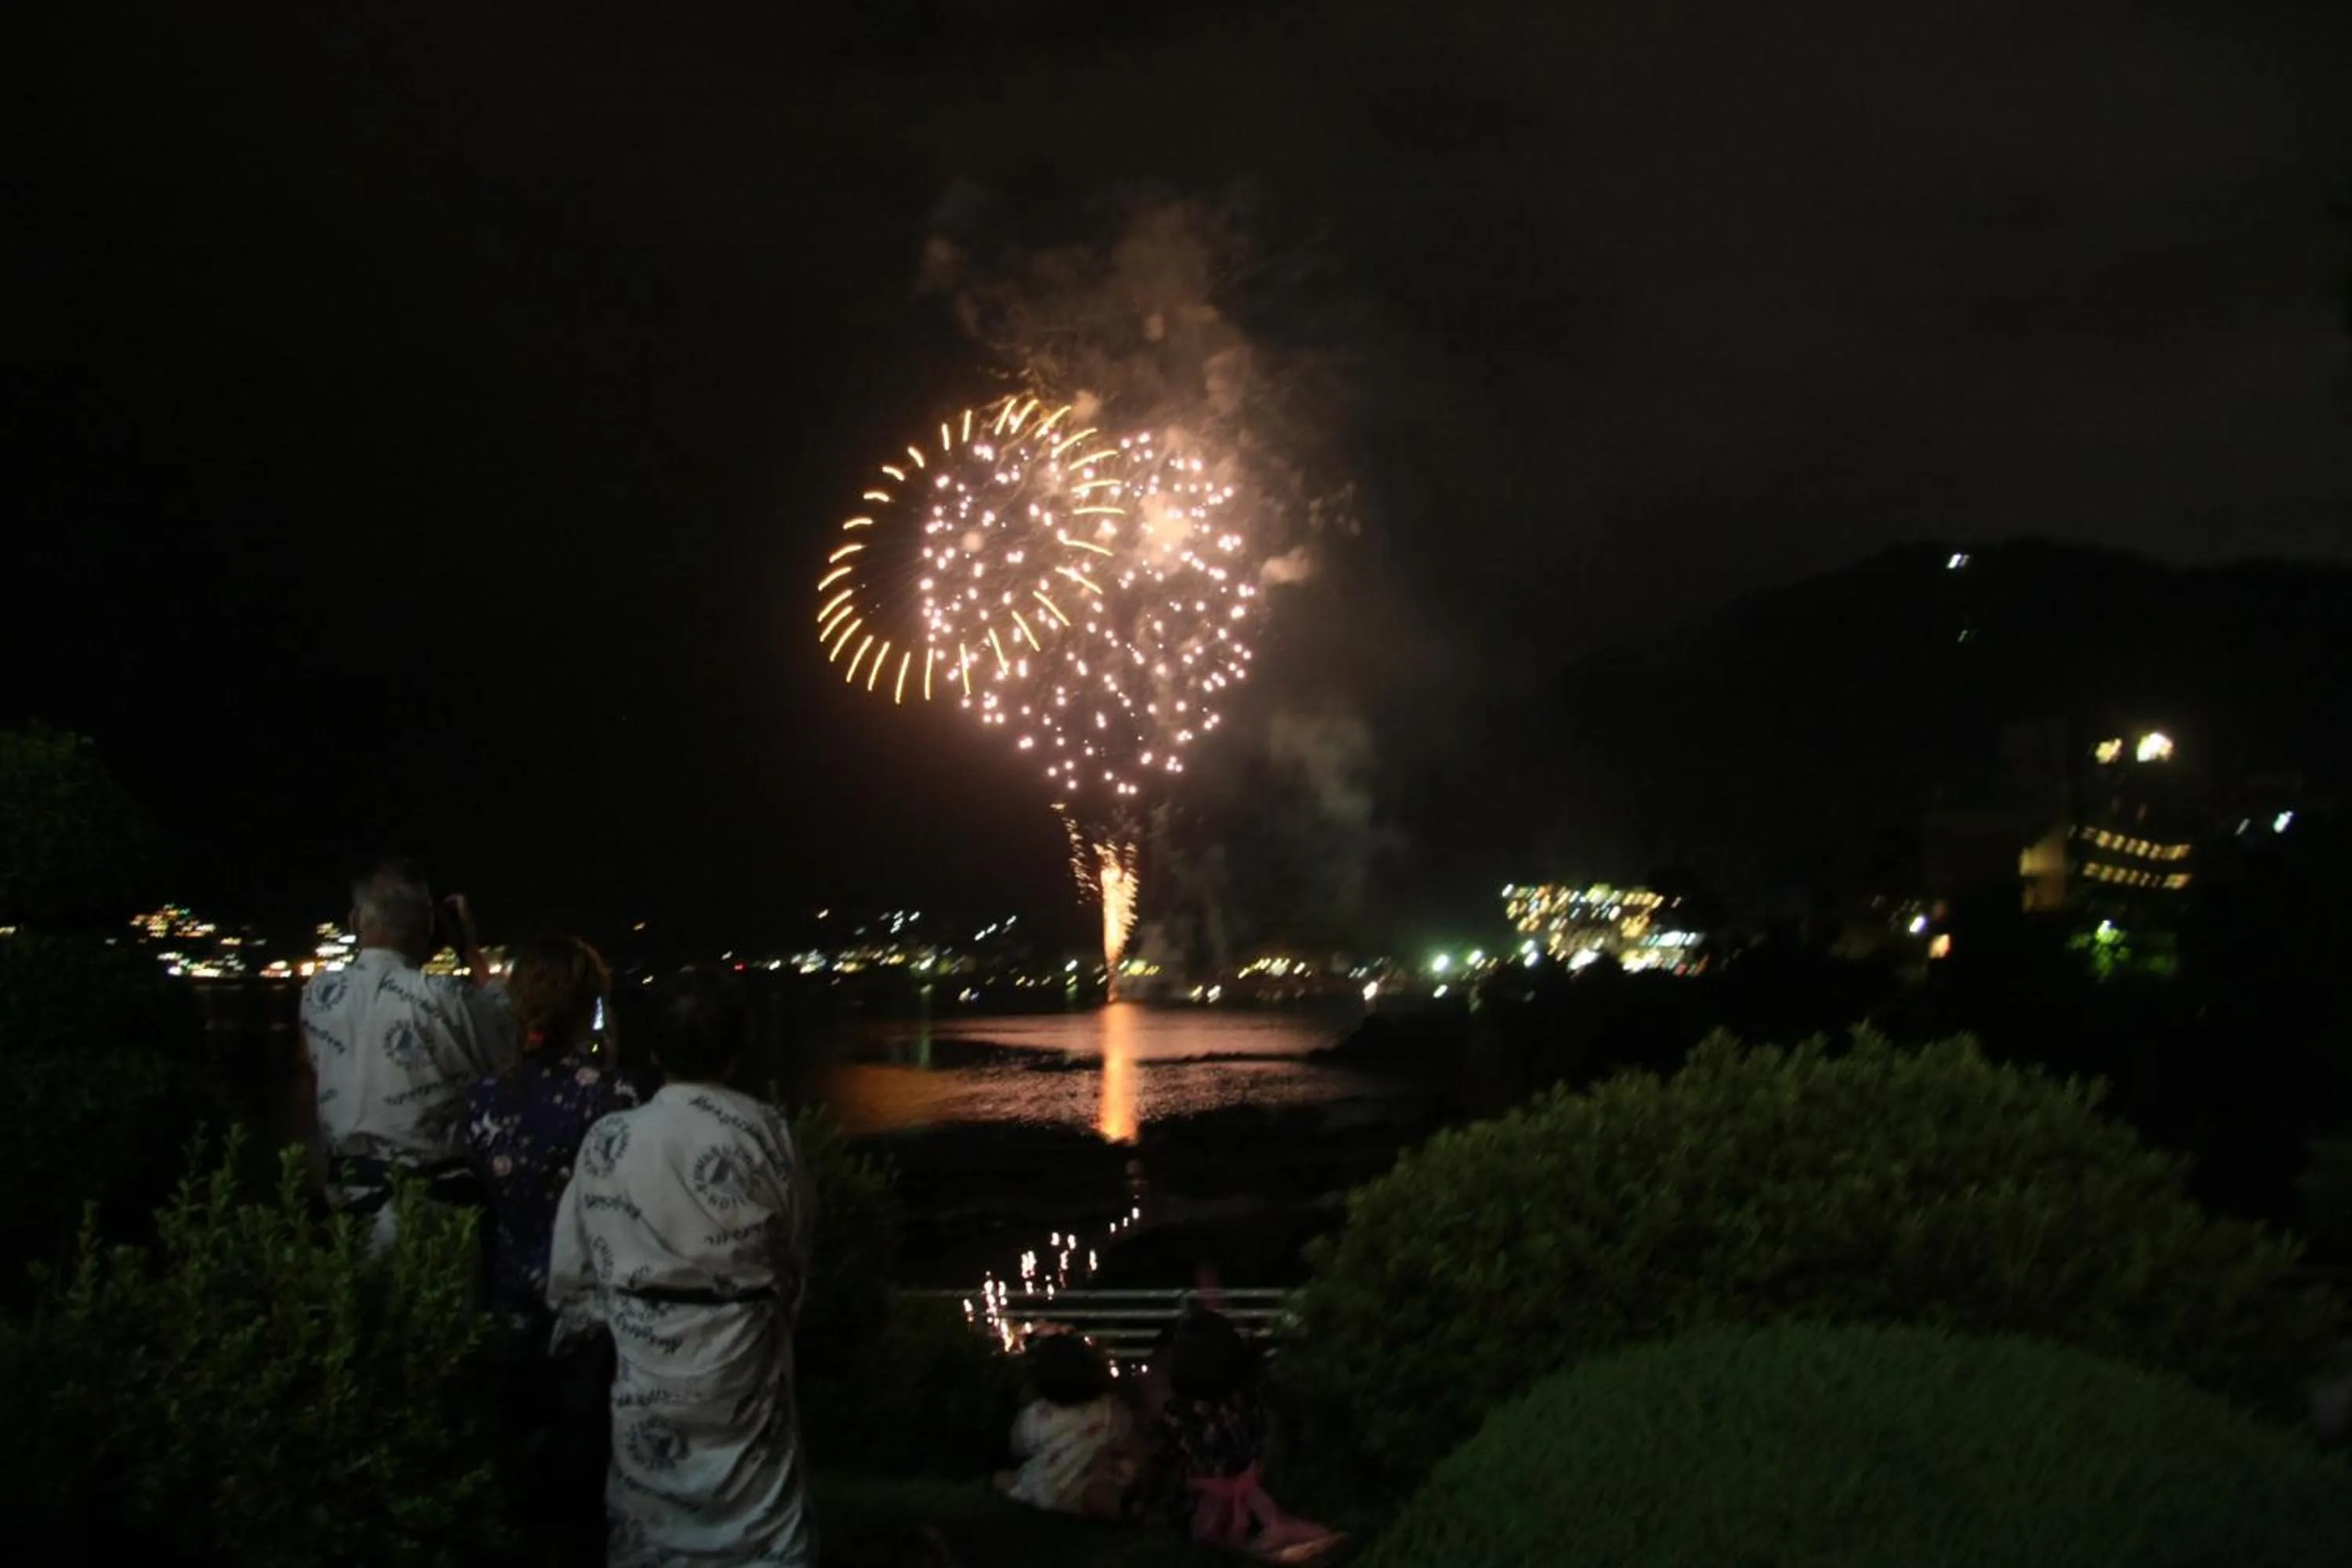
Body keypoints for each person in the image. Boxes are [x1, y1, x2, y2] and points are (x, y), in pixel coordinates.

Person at [546, 968, 815, 1567]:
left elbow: (570, 1275)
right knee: (761, 1524)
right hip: (746, 1367)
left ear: (652, 1049)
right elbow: (794, 1248)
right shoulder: (765, 1132)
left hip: (645, 1373)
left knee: (651, 1521)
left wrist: (624, 1313)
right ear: (739, 1050)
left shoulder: (610, 1140)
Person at [465, 935, 638, 1565]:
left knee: (519, 1486)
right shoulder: (612, 1098)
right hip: (590, 1322)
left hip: (509, 1308)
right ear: (591, 1006)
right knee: (586, 1493)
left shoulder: (484, 1099)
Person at [297, 857, 515, 1249]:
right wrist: (469, 952)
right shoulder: (450, 999)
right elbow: (509, 1028)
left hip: (348, 1208)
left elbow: (374, 989)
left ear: (354, 922)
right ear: (430, 927)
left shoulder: (317, 996)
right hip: (436, 1213)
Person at [1143, 1307, 1343, 1564]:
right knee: (1258, 1522)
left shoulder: (1180, 1415)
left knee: (1233, 1528)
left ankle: (1273, 1548)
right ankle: (1282, 1545)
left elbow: (1167, 1458)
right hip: (1242, 1494)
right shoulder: (1245, 1401)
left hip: (1208, 1501)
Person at [993, 1330, 1142, 1519]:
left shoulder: (1035, 1416)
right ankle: (1124, 1508)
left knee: (1003, 1479)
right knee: (1102, 1492)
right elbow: (1126, 1436)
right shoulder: (1109, 1408)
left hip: (1048, 1488)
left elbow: (1019, 1447)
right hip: (1092, 1484)